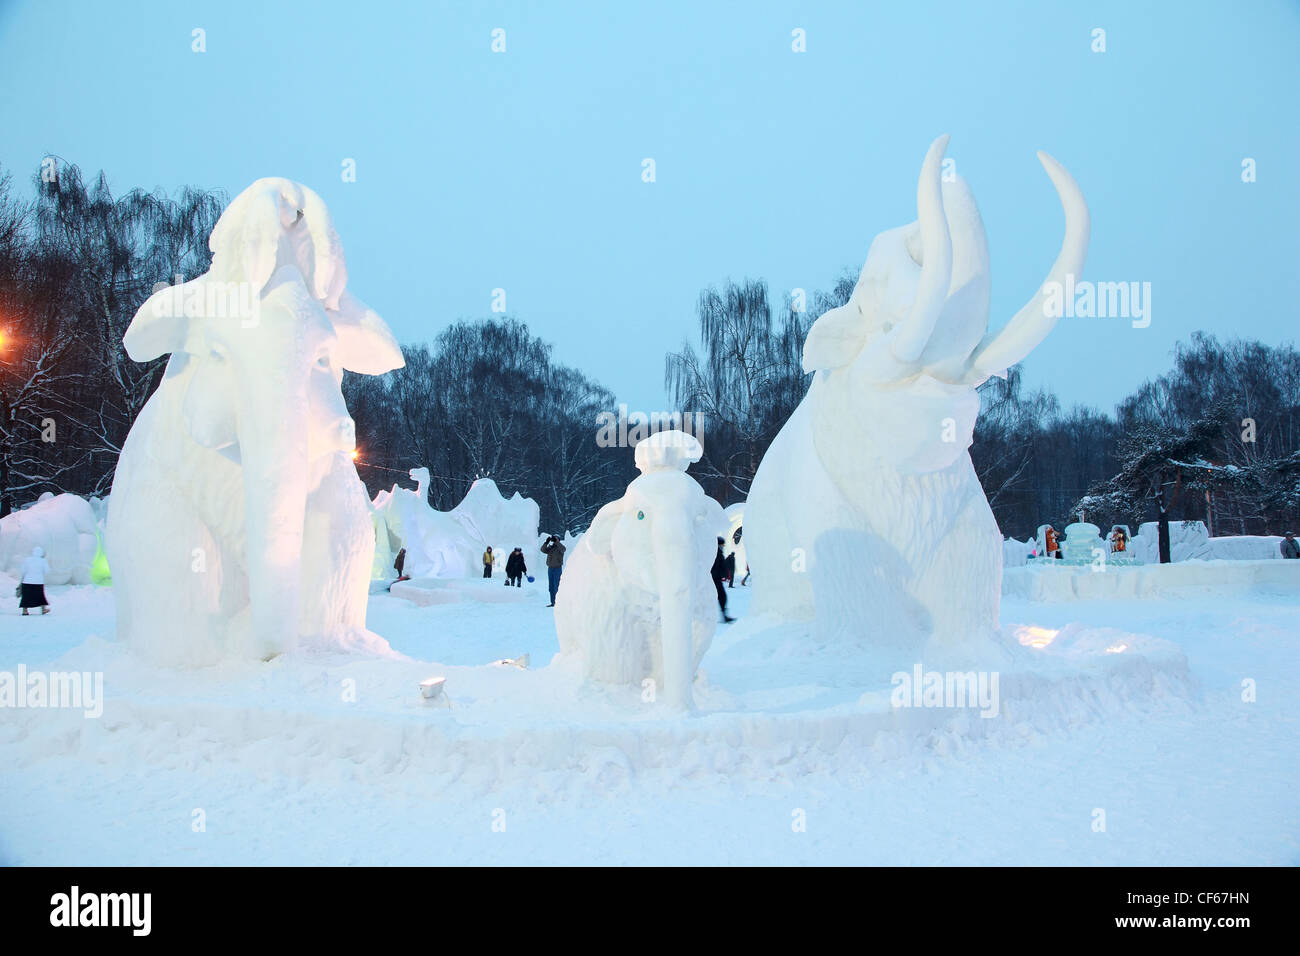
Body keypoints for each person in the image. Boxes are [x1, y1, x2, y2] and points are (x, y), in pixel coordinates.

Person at [19, 545, 50, 616]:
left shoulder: (27, 560)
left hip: (27, 581)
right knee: (40, 596)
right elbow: (47, 570)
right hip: (38, 582)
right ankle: (44, 609)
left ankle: (25, 611)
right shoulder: (43, 561)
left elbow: (23, 570)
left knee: (26, 597)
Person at [711, 536, 734, 623]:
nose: (723, 546)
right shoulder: (716, 554)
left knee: (721, 597)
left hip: (716, 579)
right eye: (722, 545)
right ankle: (723, 615)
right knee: (722, 597)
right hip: (715, 579)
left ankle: (724, 614)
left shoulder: (718, 553)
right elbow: (716, 567)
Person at [541, 534, 566, 607]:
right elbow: (543, 550)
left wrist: (557, 542)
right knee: (551, 587)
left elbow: (564, 549)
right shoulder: (551, 548)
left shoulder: (560, 548)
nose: (554, 540)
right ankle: (553, 602)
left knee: (557, 586)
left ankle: (558, 602)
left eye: (555, 539)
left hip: (557, 568)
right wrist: (546, 542)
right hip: (550, 569)